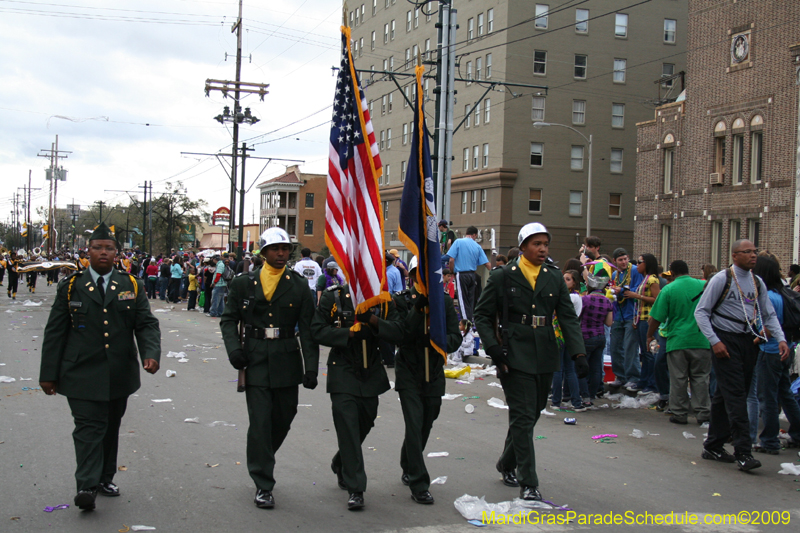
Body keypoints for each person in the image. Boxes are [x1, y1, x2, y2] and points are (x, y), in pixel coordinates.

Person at [39, 222, 161, 511]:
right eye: (97, 248)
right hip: (80, 373)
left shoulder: (131, 285)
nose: (103, 253)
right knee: (88, 427)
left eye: (108, 248)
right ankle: (86, 485)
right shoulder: (70, 286)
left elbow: (145, 324)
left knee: (110, 427)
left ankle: (105, 477)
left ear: (116, 253)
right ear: (88, 251)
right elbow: (55, 332)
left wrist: (151, 353)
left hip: (119, 372)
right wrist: (48, 374)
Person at [475, 223, 587, 501]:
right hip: (513, 351)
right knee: (523, 415)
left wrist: (579, 353)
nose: (543, 249)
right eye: (537, 244)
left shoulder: (553, 276)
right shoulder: (503, 275)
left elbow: (567, 317)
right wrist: (492, 346)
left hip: (545, 351)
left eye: (546, 244)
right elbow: (483, 314)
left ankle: (506, 462)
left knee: (534, 411)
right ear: (523, 246)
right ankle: (529, 482)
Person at [220, 227, 319, 509]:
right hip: (255, 360)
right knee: (261, 422)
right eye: (275, 249)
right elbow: (228, 320)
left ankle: (261, 455)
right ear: (263, 253)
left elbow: (309, 330)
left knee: (284, 418)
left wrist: (310, 368)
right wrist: (234, 351)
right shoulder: (243, 284)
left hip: (287, 358)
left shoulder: (298, 284)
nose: (281, 254)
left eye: (285, 249)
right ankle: (263, 482)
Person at [694, 239, 789, 471]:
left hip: (749, 340)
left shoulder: (757, 282)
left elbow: (768, 314)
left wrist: (781, 339)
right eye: (747, 252)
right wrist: (715, 341)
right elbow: (701, 312)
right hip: (725, 340)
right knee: (737, 396)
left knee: (726, 395)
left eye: (754, 252)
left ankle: (713, 445)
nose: (753, 255)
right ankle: (743, 452)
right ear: (735, 256)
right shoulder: (721, 279)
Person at [311, 277, 404, 510]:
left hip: (371, 368)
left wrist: (372, 320)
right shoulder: (333, 297)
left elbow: (399, 332)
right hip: (343, 368)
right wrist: (348, 334)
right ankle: (356, 487)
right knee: (348, 425)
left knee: (366, 420)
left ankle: (341, 461)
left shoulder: (382, 300)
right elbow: (317, 330)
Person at [394, 256, 461, 505]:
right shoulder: (402, 300)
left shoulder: (443, 301)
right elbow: (401, 334)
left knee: (426, 421)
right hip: (409, 370)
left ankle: (408, 460)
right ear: (411, 277)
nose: (421, 280)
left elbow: (455, 337)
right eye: (416, 275)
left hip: (432, 370)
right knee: (413, 423)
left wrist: (438, 339)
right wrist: (417, 309)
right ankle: (419, 482)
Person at [646, 260, 711, 425]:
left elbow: (656, 318)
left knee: (678, 378)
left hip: (678, 340)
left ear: (672, 273)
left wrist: (649, 336)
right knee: (701, 378)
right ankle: (703, 412)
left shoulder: (669, 288)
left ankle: (679, 413)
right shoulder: (702, 285)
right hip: (701, 339)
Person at [751, 256, 800, 453]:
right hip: (784, 349)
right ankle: (796, 433)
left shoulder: (768, 297)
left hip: (770, 351)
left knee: (767, 398)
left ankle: (769, 441)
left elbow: (770, 327)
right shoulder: (781, 294)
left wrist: (753, 340)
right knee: (785, 393)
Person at [623, 253, 661, 394]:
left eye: (640, 262)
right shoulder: (644, 279)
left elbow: (657, 299)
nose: (637, 265)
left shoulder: (652, 279)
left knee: (649, 352)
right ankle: (643, 381)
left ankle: (651, 384)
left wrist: (636, 295)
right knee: (644, 353)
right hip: (640, 320)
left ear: (647, 264)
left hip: (648, 320)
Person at [550, 269, 586, 411]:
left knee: (559, 369)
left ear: (574, 283)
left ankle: (556, 400)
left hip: (561, 334)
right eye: (563, 278)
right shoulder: (577, 297)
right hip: (568, 335)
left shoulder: (571, 297)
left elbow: (555, 310)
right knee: (569, 370)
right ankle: (576, 401)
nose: (564, 281)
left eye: (568, 279)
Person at [608, 248, 644, 389]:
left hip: (631, 314)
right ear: (615, 261)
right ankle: (620, 376)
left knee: (630, 347)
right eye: (620, 260)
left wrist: (622, 290)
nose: (623, 262)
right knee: (615, 347)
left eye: (625, 259)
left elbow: (638, 289)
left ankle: (633, 378)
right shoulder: (615, 275)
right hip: (618, 315)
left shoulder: (635, 271)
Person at [443, 226, 490, 323]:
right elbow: (487, 263)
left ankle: (466, 324)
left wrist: (452, 272)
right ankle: (470, 321)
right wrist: (495, 272)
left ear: (467, 233)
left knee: (462, 300)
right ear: (475, 235)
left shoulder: (458, 242)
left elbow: (451, 259)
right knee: (470, 300)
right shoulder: (477, 246)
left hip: (461, 274)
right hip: (472, 275)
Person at [579, 272, 613, 405]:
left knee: (582, 367)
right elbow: (609, 323)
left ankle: (585, 397)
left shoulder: (585, 300)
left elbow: (577, 316)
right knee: (595, 368)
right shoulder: (607, 301)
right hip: (601, 337)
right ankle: (592, 396)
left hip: (586, 336)